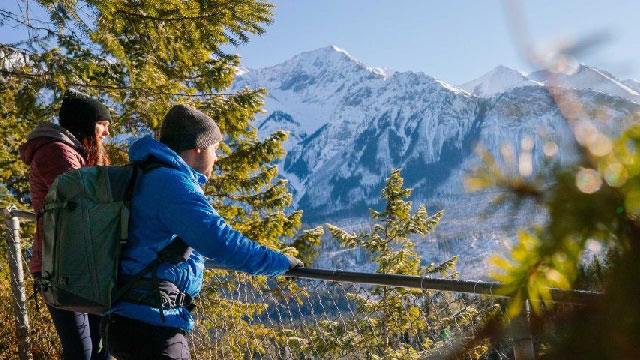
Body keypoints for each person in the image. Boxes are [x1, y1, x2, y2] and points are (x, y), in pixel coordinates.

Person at [104, 104, 304, 359]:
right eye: (215, 148)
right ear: (198, 147)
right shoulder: (172, 184)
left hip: (127, 316)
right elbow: (221, 243)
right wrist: (281, 262)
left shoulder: (145, 174)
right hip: (152, 324)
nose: (216, 158)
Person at [19, 90, 112, 359]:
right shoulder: (57, 152)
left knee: (103, 347)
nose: (106, 133)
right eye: (103, 125)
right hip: (61, 266)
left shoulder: (77, 153)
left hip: (84, 263)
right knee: (82, 351)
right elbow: (85, 201)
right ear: (87, 123)